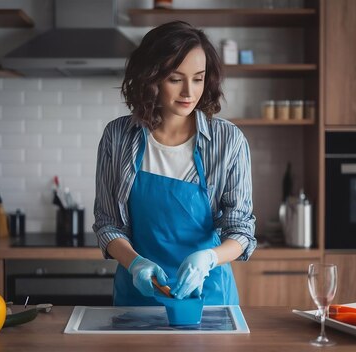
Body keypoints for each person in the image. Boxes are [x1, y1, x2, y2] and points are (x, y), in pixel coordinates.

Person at [93, 21, 256, 307]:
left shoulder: (228, 141)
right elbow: (108, 224)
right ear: (151, 78)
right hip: (138, 300)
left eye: (198, 78)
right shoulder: (117, 137)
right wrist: (135, 264)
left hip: (209, 300)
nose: (188, 92)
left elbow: (241, 230)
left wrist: (208, 258)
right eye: (175, 78)